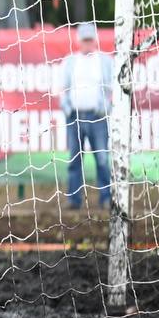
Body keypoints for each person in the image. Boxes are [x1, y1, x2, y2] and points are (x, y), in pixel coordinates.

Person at [59, 21, 114, 209]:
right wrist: (67, 110)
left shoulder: (104, 61)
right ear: (79, 41)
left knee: (102, 158)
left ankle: (106, 198)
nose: (87, 43)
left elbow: (111, 89)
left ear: (95, 40)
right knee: (74, 159)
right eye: (84, 40)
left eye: (90, 40)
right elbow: (63, 88)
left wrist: (104, 108)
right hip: (74, 117)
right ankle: (74, 200)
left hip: (97, 117)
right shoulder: (70, 61)